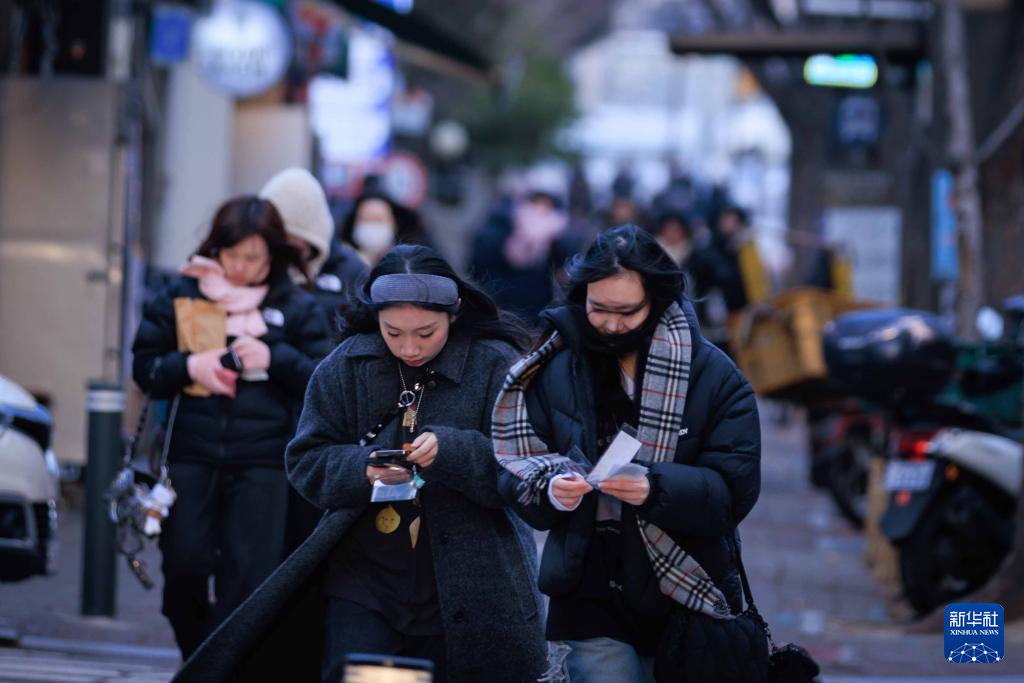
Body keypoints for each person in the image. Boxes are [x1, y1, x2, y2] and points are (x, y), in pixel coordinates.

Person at [174, 245, 547, 683]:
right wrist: (362, 468)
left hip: (476, 577)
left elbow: (526, 466)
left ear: (455, 313)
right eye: (393, 332)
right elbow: (306, 458)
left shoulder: (494, 364)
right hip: (365, 576)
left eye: (426, 333)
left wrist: (453, 451)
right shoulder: (348, 363)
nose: (410, 347)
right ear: (376, 319)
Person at [493, 225, 762, 682]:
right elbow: (514, 470)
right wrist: (552, 489)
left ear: (656, 302)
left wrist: (655, 488)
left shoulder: (715, 375)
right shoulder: (553, 365)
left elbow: (733, 493)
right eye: (598, 309)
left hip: (686, 587)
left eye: (627, 311)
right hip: (588, 582)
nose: (612, 324)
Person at [131, 196, 331, 660]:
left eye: (254, 258)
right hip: (191, 453)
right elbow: (146, 368)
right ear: (215, 249)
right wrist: (191, 365)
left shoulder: (296, 306)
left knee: (249, 577)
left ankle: (221, 669)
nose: (242, 268)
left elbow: (323, 379)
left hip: (265, 459)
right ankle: (198, 655)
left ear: (275, 255)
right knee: (184, 566)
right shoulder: (183, 294)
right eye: (233, 255)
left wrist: (275, 358)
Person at [260, 167, 368, 327]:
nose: (284, 244)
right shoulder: (254, 267)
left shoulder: (353, 274)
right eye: (276, 234)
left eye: (292, 236)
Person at [338, 190, 428, 267]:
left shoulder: (410, 265)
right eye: (365, 219)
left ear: (394, 225)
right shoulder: (342, 263)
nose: (372, 226)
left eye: (378, 220)